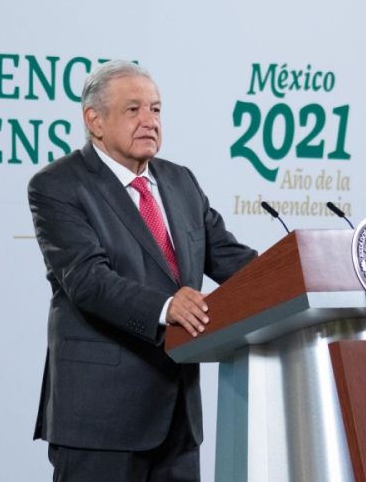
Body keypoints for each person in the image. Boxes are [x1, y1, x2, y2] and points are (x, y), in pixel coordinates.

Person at [28, 60, 258, 482]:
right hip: (100, 419)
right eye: (133, 110)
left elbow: (230, 258)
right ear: (94, 120)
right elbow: (87, 281)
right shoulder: (58, 186)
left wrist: (300, 275)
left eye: (156, 109)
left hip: (178, 419)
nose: (149, 121)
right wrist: (167, 306)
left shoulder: (181, 181)